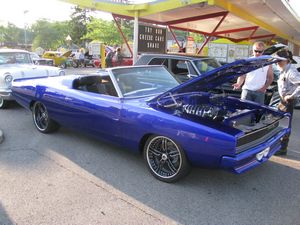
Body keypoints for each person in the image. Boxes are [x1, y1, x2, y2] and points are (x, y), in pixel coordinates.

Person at [274, 49, 300, 155]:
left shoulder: (291, 71)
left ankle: (283, 148)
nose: (277, 63)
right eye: (276, 60)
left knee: (285, 124)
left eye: (279, 61)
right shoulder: (284, 69)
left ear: (287, 60)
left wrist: (291, 96)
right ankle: (280, 145)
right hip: (284, 100)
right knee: (281, 122)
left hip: (288, 101)